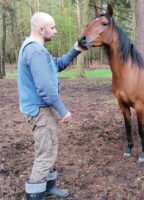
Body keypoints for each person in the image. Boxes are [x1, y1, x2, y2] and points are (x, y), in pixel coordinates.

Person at [17, 12, 85, 199]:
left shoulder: (37, 49)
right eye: (52, 27)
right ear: (41, 29)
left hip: (43, 109)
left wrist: (76, 49)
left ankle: (48, 187)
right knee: (45, 154)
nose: (55, 31)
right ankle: (35, 196)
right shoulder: (35, 50)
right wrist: (63, 110)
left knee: (50, 148)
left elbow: (56, 64)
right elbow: (46, 89)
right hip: (41, 111)